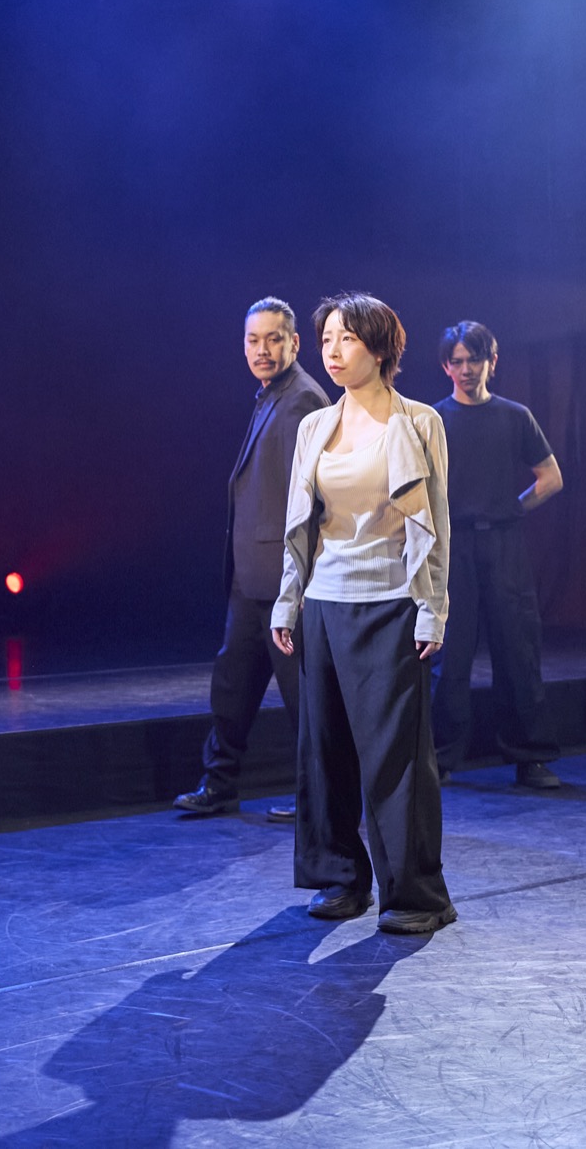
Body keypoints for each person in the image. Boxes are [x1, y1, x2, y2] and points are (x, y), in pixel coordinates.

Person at [272, 292, 455, 935]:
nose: (333, 351)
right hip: (325, 602)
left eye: (346, 338)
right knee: (324, 750)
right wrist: (288, 600)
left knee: (395, 757)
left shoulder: (419, 422)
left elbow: (436, 527)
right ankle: (341, 879)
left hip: (390, 604)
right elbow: (301, 526)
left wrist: (432, 611)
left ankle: (417, 896)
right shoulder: (315, 427)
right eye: (326, 339)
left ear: (379, 349)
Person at [175, 298, 329, 820]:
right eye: (253, 340)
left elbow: (307, 501)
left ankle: (321, 802)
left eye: (273, 339)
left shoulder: (302, 399)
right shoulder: (270, 396)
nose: (261, 350)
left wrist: (297, 581)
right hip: (251, 578)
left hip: (283, 579)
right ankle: (219, 784)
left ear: (294, 343)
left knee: (304, 698)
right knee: (232, 687)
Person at [428, 321, 564, 788]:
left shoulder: (514, 416)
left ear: (492, 362)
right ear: (446, 366)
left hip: (504, 543)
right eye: (458, 361)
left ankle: (531, 757)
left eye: (475, 360)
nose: (466, 369)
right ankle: (440, 759)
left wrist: (513, 509)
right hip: (453, 546)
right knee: (449, 655)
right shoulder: (433, 420)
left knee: (517, 651)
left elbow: (551, 478)